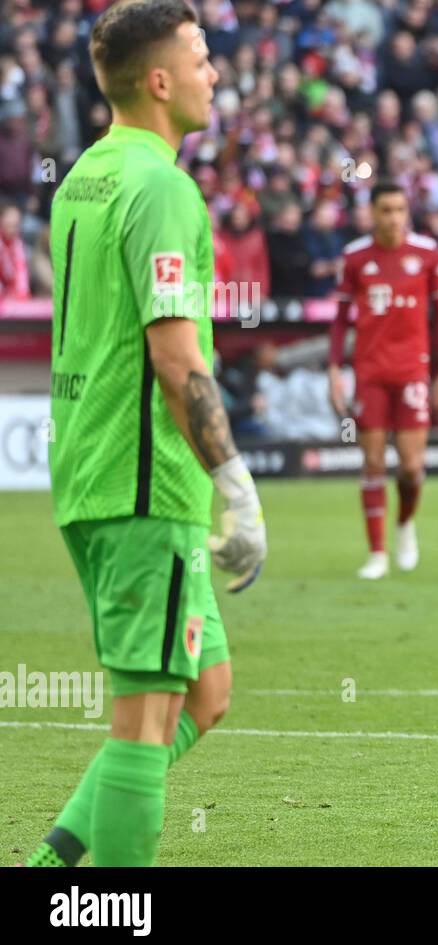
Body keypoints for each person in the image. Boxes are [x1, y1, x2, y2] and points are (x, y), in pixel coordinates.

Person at [29, 0, 266, 868]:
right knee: (141, 720)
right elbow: (176, 358)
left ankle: (53, 872)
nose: (216, 75)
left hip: (92, 473)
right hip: (144, 485)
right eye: (202, 59)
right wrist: (235, 483)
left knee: (207, 692)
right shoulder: (162, 187)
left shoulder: (85, 175)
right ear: (160, 81)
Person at [328, 182, 438, 578]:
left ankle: (404, 524)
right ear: (372, 213)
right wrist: (335, 369)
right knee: (372, 460)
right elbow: (340, 320)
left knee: (412, 467)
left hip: (413, 370)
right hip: (370, 372)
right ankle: (377, 553)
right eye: (385, 210)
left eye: (400, 209)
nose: (394, 218)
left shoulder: (428, 253)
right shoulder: (354, 258)